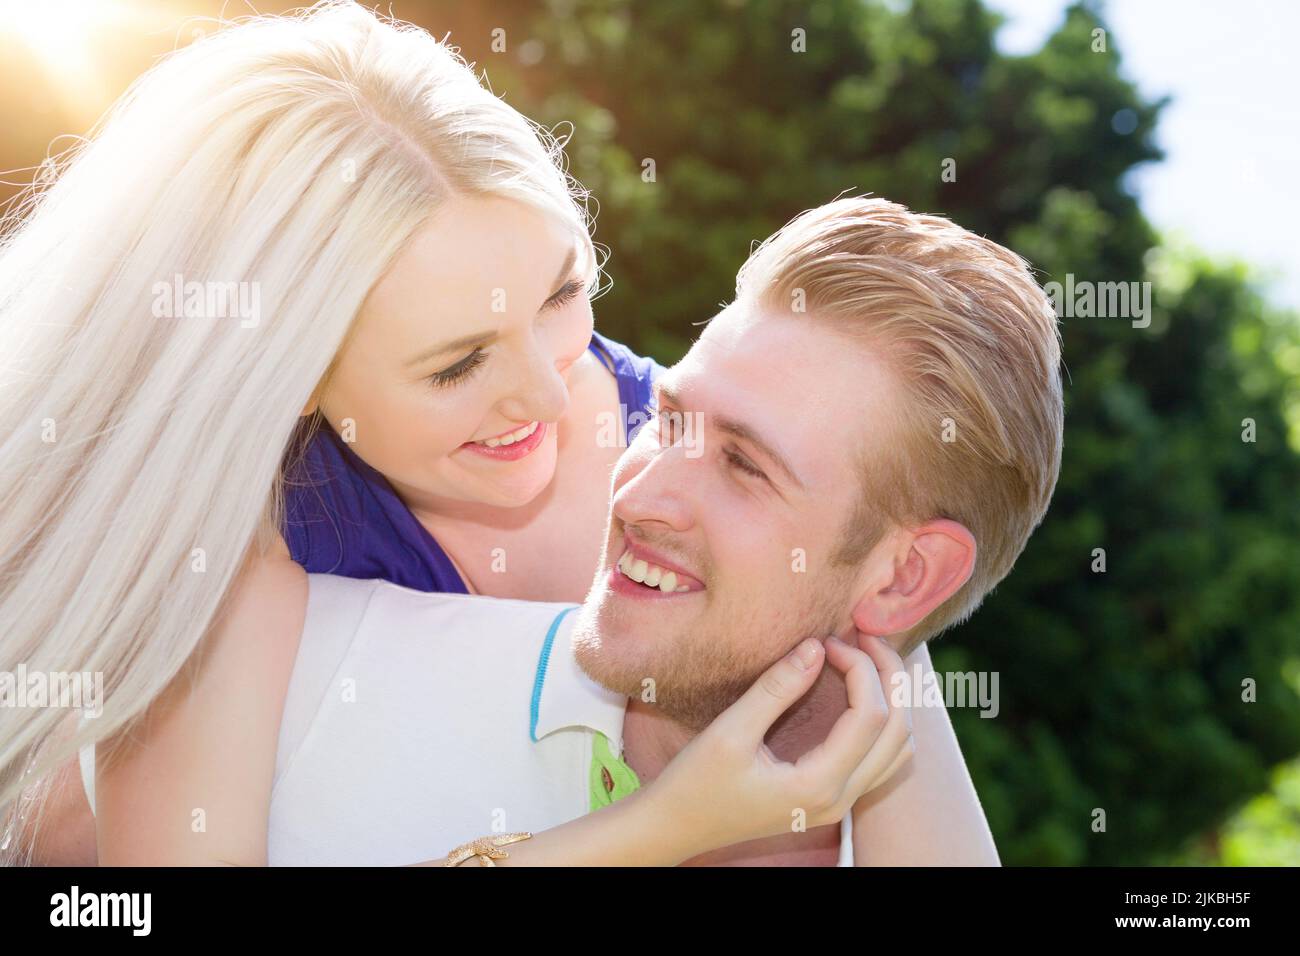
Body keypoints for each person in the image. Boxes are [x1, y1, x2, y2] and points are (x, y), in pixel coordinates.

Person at [0, 2, 934, 867]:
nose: (545, 395)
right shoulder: (228, 551)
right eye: (456, 366)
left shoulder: (740, 481)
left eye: (563, 296)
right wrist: (661, 829)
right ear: (290, 380)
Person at [78, 197, 1064, 865]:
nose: (638, 490)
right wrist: (651, 831)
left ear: (904, 580)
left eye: (744, 465)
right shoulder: (305, 649)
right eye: (669, 417)